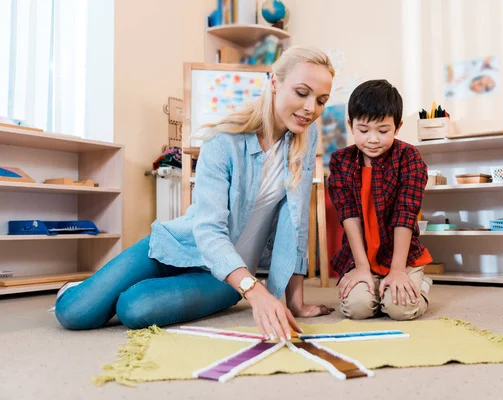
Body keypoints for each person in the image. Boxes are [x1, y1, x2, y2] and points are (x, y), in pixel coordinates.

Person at [55, 46, 335, 341]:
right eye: (302, 92)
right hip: (178, 245)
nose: (310, 108)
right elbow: (209, 230)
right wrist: (256, 291)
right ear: (275, 83)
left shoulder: (307, 136)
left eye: (321, 101)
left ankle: (118, 289)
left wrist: (295, 300)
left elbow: (297, 224)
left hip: (225, 276)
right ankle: (87, 289)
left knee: (134, 308)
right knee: (75, 312)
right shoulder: (223, 142)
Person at [327, 79, 433, 321]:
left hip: (401, 258)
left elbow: (405, 215)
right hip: (362, 256)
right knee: (357, 309)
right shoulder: (340, 161)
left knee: (399, 310)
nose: (372, 139)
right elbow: (348, 216)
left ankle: (421, 284)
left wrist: (397, 271)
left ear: (397, 127)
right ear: (350, 125)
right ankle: (373, 283)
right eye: (363, 130)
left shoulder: (409, 157)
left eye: (383, 131)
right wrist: (362, 268)